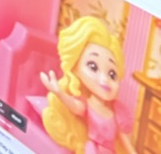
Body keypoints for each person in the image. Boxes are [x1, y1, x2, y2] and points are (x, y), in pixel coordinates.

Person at [39, 16, 137, 154]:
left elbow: (124, 141)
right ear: (76, 68)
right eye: (93, 66)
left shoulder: (116, 112)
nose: (104, 79)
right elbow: (74, 106)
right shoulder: (86, 105)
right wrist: (58, 92)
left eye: (112, 74)